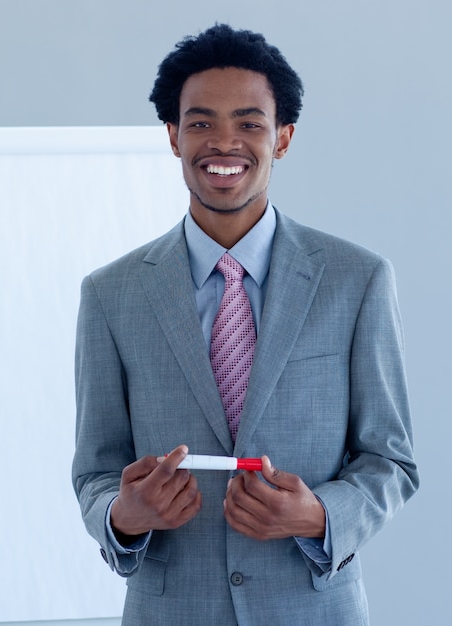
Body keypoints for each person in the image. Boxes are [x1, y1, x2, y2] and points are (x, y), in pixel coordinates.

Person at [72, 23, 418, 625]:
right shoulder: (111, 294)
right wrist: (123, 515)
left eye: (250, 123)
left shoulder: (357, 280)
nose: (224, 142)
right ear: (174, 137)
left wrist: (320, 516)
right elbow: (95, 470)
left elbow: (390, 460)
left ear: (283, 138)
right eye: (201, 123)